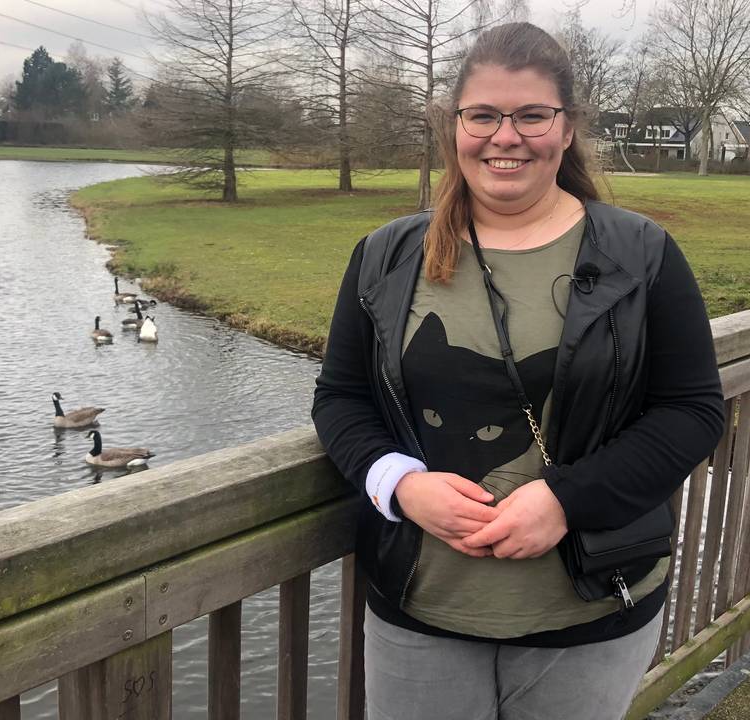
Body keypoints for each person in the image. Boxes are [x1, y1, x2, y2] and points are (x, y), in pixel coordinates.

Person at [311, 22, 725, 720]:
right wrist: (400, 484)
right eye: (484, 116)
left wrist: (568, 499)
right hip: (421, 606)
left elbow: (692, 411)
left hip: (587, 607)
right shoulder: (385, 257)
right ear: (455, 127)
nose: (506, 136)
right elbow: (341, 398)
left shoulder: (641, 254)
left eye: (532, 115)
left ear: (566, 129)